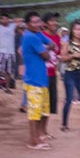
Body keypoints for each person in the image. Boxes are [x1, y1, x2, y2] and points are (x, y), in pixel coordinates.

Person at [21, 12, 56, 150]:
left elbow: (50, 43)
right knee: (34, 112)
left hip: (41, 78)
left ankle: (40, 135)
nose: (37, 24)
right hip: (33, 79)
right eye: (34, 22)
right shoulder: (31, 37)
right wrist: (47, 48)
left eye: (39, 21)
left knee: (43, 110)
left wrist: (47, 47)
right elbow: (47, 55)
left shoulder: (37, 34)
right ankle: (33, 141)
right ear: (28, 24)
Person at [41, 13, 62, 124]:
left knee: (50, 104)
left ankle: (44, 131)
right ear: (45, 24)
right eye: (52, 20)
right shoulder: (40, 36)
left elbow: (58, 55)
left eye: (55, 20)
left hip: (53, 73)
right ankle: (39, 132)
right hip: (42, 74)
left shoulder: (57, 38)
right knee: (41, 104)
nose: (55, 23)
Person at [0, 12, 16, 92]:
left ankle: (7, 88)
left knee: (8, 71)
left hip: (10, 52)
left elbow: (20, 20)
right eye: (3, 19)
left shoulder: (12, 26)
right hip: (1, 51)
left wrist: (11, 21)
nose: (4, 20)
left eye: (6, 18)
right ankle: (2, 85)